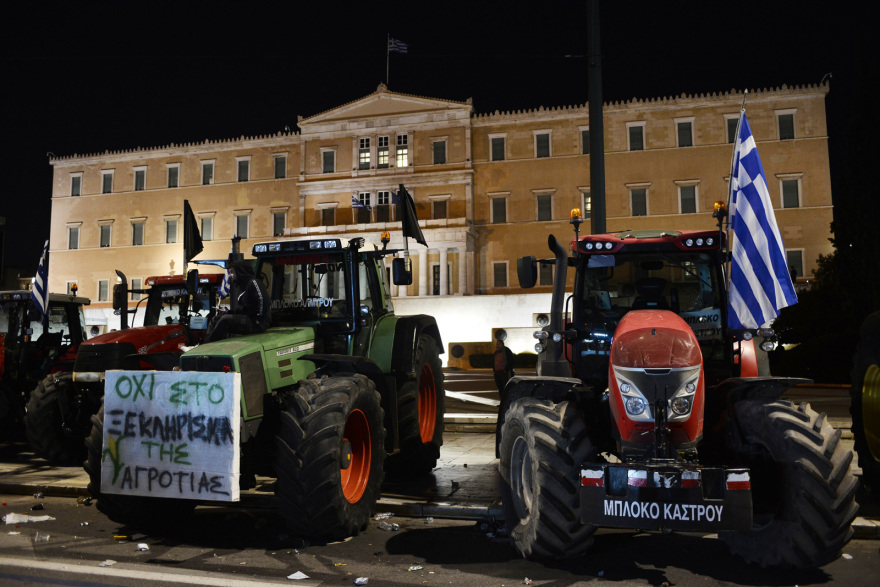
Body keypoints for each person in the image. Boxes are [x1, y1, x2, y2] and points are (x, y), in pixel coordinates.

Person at [205, 261, 271, 342]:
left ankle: (209, 346)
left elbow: (263, 301)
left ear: (241, 272)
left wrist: (258, 320)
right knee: (215, 319)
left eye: (232, 272)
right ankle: (206, 344)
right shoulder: (242, 286)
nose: (230, 275)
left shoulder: (254, 282)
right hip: (249, 319)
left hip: (258, 323)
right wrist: (228, 312)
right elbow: (244, 310)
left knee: (224, 320)